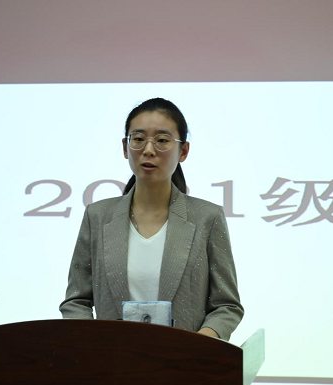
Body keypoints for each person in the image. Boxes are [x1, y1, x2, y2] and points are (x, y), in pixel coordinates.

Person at [59, 98, 243, 341]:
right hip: (112, 359)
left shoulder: (207, 218)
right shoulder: (97, 216)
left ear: (183, 151)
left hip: (183, 359)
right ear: (125, 147)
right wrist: (95, 343)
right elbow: (76, 301)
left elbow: (227, 306)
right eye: (138, 139)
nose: (148, 149)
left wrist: (201, 342)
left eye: (162, 140)